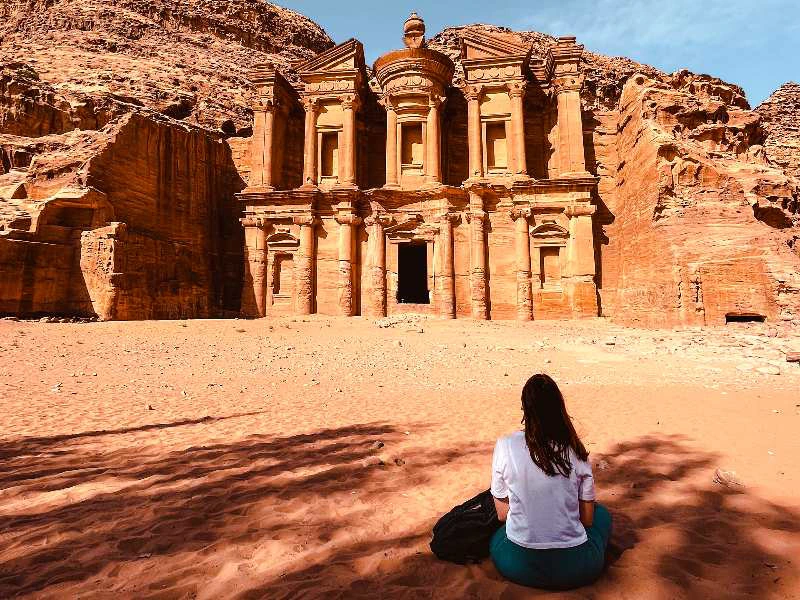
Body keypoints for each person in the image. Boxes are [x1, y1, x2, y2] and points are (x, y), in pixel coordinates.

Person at [489, 373, 612, 589]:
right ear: (559, 407)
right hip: (576, 568)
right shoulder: (576, 449)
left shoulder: (505, 445)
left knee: (500, 535)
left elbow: (501, 514)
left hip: (519, 565)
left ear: (524, 409)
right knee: (602, 515)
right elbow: (588, 520)